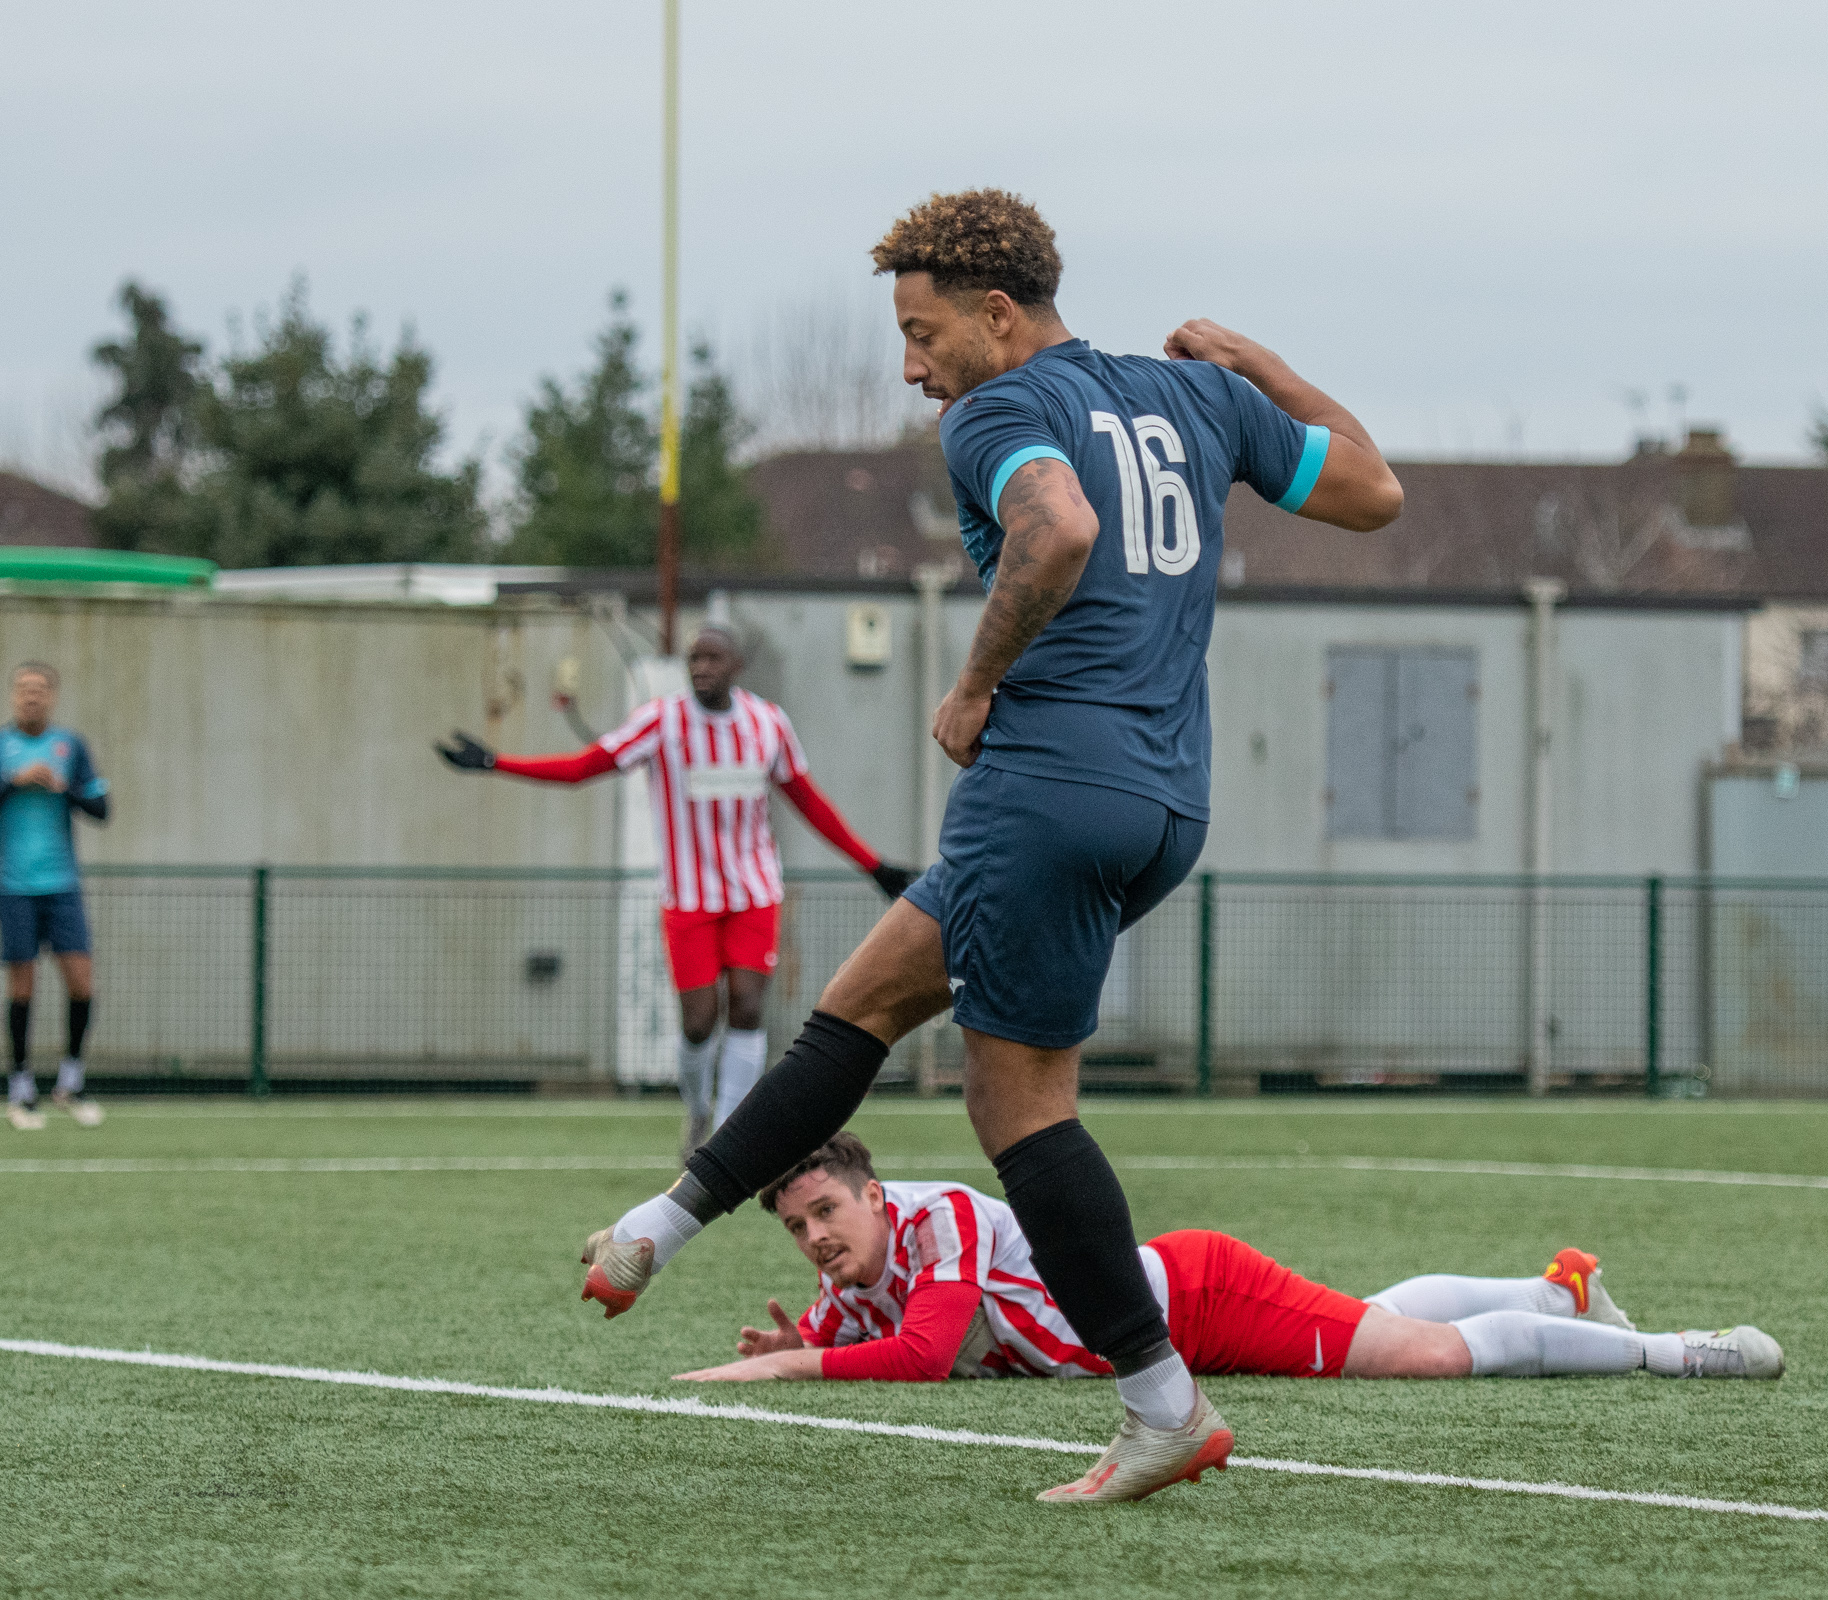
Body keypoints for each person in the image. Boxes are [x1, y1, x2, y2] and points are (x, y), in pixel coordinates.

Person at [577, 188, 1408, 1503]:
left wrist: (973, 686)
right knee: (865, 1002)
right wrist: (1259, 364)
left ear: (999, 315)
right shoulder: (1201, 395)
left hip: (1047, 789)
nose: (913, 369)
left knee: (1015, 1109)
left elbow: (1057, 526)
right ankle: (654, 1229)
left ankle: (1163, 1408)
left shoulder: (997, 410)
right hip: (1164, 803)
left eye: (922, 335)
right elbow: (1374, 489)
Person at [676, 1134, 1784, 1424]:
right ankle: (1558, 1292)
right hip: (1174, 1319)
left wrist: (788, 1371)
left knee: (1425, 1358)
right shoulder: (854, 1277)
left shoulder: (939, 1219)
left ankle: (1678, 1351)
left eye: (827, 1211)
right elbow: (865, 1331)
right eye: (798, 1226)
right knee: (1371, 1320)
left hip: (1198, 1299)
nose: (815, 1237)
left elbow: (921, 1357)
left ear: (874, 1194)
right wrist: (799, 1343)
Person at [438, 624, 915, 1160]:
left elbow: (807, 800)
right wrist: (496, 762)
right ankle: (697, 1109)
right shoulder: (661, 721)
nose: (701, 668)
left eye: (713, 659)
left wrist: (873, 866)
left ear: (736, 666)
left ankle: (731, 1136)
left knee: (747, 1005)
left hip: (755, 891)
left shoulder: (768, 722)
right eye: (694, 659)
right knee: (698, 1021)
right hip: (689, 898)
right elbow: (584, 768)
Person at [0, 661, 110, 1130]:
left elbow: (101, 808)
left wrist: (63, 786)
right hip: (13, 885)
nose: (31, 696)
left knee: (82, 982)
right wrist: (13, 782)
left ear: (52, 697)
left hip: (62, 884)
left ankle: (71, 1082)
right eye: (24, 688)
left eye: (40, 689)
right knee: (22, 986)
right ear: (12, 695)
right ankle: (21, 1089)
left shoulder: (71, 746)